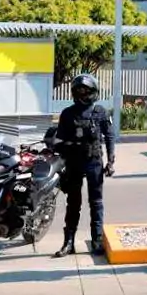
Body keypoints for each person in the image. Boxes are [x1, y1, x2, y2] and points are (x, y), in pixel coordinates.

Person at [51, 73, 115, 257]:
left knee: (96, 202)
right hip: (73, 162)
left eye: (86, 90)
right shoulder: (67, 113)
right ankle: (68, 242)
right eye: (79, 90)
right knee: (73, 203)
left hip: (94, 161)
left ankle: (97, 240)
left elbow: (109, 136)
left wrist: (111, 161)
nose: (82, 94)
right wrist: (60, 161)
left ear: (93, 92)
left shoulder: (100, 112)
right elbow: (59, 140)